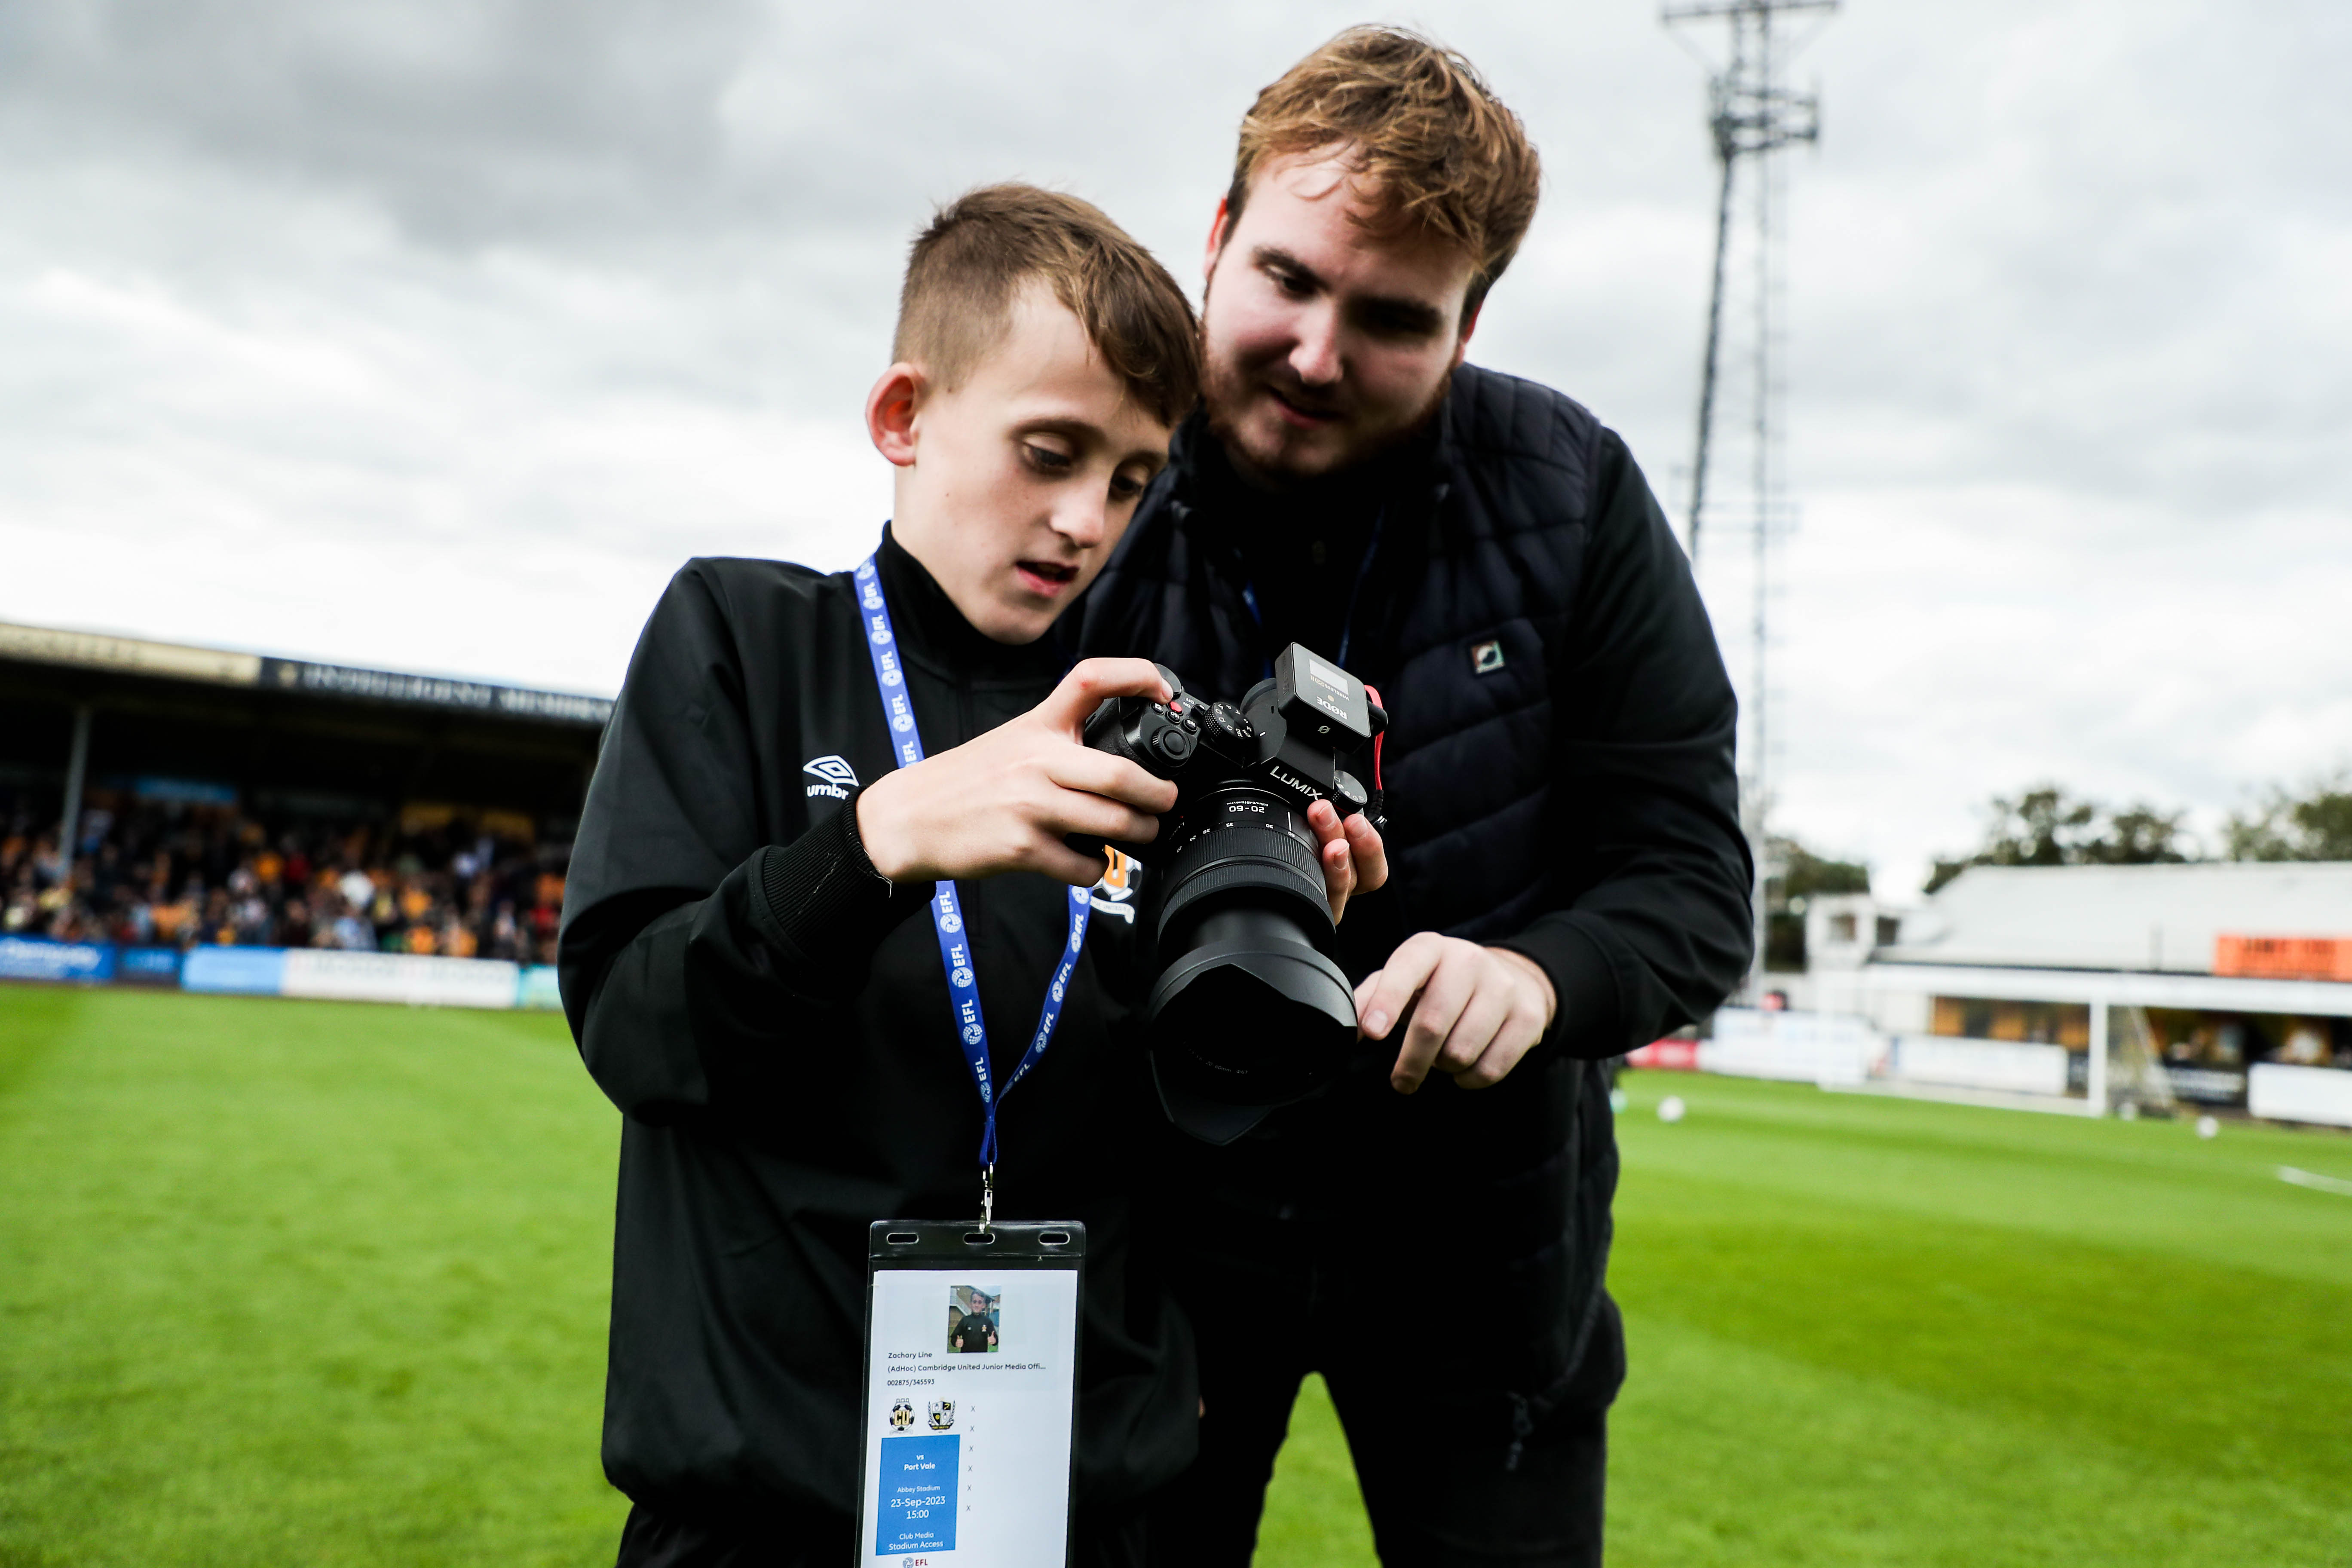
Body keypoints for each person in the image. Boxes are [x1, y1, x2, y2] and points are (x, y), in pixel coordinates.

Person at [557, 184, 1382, 1568]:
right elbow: (641, 1030)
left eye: (1129, 479)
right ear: (904, 417)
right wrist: (873, 843)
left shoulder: (1148, 734)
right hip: (769, 1502)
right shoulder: (746, 639)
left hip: (1081, 1506)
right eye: (1049, 452)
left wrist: (1270, 960)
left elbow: (1195, 1163)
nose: (1084, 520)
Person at [1067, 28, 1755, 1568]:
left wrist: (1535, 973)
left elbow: (1695, 882)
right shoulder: (1083, 475)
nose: (1318, 353)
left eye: (1391, 318)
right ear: (1217, 238)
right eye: (1290, 281)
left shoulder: (1572, 491)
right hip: (1156, 1239)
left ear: (1470, 321)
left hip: (1483, 1254)